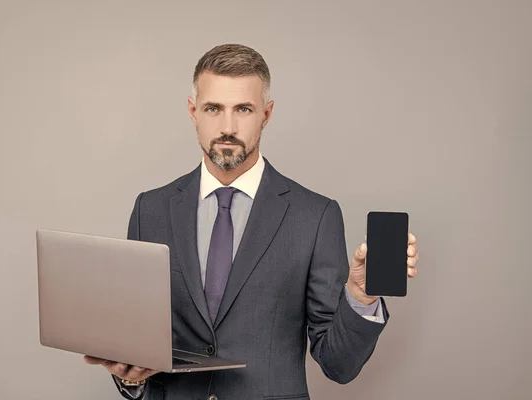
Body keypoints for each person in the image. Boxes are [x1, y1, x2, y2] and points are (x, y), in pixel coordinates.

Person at [83, 43, 420, 400]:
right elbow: (137, 346)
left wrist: (360, 297)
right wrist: (131, 377)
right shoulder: (150, 210)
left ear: (267, 114)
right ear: (193, 111)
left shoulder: (314, 216)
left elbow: (338, 366)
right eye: (213, 108)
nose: (227, 127)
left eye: (243, 109)